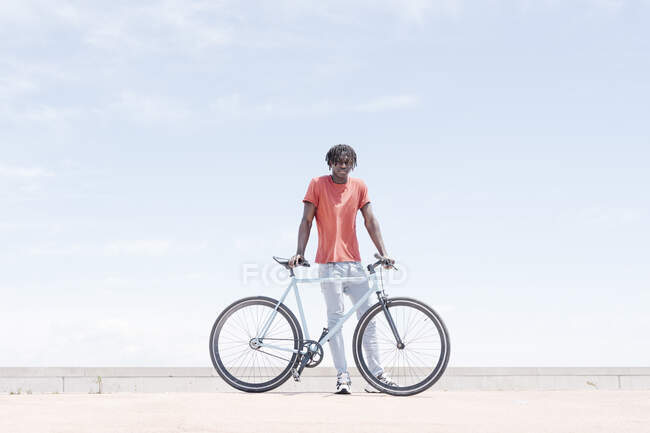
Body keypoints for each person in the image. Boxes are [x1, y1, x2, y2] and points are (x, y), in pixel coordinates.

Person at [288, 144, 396, 394]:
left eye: (347, 162)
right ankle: (342, 376)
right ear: (330, 163)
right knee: (335, 322)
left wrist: (384, 252)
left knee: (368, 321)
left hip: (354, 264)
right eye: (338, 162)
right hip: (328, 264)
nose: (342, 166)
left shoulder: (359, 186)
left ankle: (376, 376)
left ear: (353, 164)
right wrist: (300, 252)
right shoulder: (317, 184)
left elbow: (370, 220)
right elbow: (306, 220)